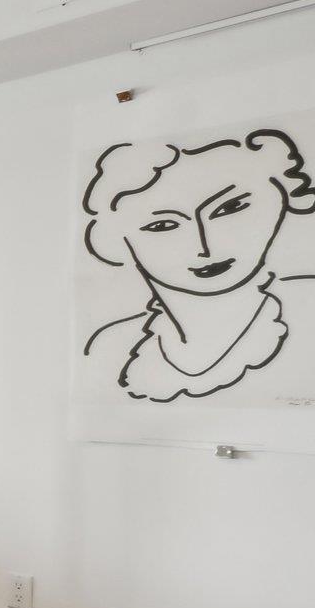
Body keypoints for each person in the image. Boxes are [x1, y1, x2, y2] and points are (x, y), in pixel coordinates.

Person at [81, 127, 315, 402]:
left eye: (230, 207)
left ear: (282, 196)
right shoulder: (110, 345)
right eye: (163, 226)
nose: (204, 246)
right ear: (119, 242)